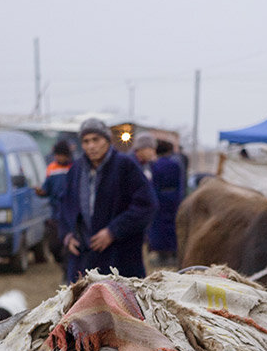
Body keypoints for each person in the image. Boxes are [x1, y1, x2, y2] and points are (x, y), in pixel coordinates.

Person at [56, 118, 155, 281]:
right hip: (83, 260)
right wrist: (68, 235)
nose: (91, 146)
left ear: (107, 141)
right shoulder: (76, 170)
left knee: (119, 304)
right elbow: (65, 204)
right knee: (82, 304)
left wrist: (113, 231)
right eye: (86, 141)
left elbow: (147, 205)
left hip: (120, 259)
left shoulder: (125, 166)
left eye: (96, 140)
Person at [146, 139, 185, 268]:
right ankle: (173, 253)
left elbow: (153, 183)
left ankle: (160, 254)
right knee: (173, 225)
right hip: (173, 197)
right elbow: (181, 183)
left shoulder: (154, 165)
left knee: (158, 225)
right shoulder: (176, 164)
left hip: (159, 197)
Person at [38, 139, 74, 264]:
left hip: (70, 214)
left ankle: (67, 269)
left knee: (68, 244)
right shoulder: (51, 168)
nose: (60, 157)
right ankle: (61, 263)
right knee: (54, 245)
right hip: (55, 214)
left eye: (62, 155)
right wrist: (40, 192)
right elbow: (46, 189)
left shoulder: (74, 167)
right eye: (58, 155)